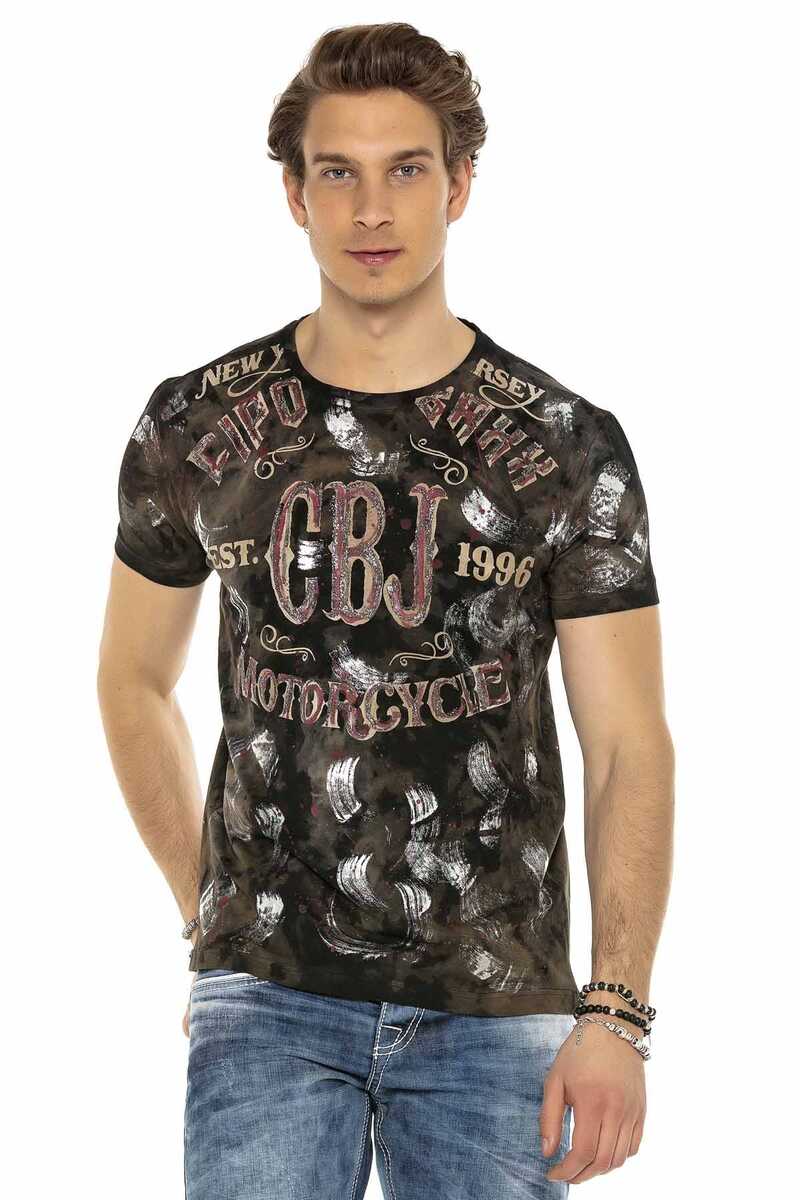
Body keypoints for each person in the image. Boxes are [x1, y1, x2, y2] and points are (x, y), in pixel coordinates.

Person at [97, 21, 674, 1200]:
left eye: (406, 169)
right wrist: (211, 910)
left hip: (496, 1006)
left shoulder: (567, 448)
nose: (371, 209)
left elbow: (626, 741)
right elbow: (129, 679)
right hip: (266, 1005)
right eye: (337, 172)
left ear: (457, 186)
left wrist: (615, 1009)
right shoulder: (194, 425)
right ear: (293, 196)